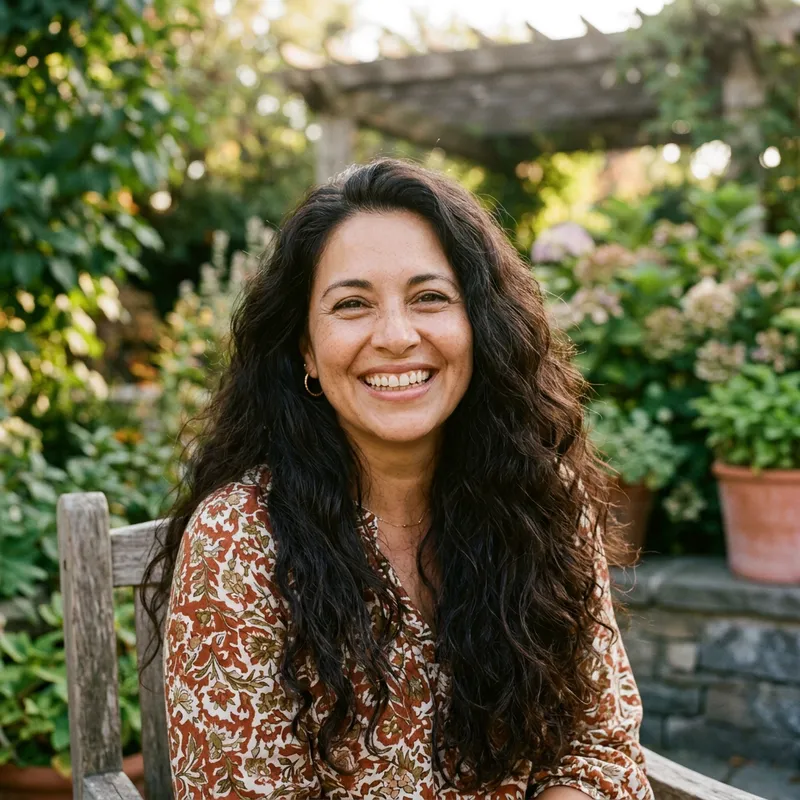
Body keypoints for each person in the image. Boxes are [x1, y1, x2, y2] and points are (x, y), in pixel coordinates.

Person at [145, 158, 654, 799]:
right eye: (352, 304)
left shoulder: (541, 499)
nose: (395, 336)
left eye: (430, 297)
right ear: (305, 346)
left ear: (480, 325)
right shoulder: (240, 543)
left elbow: (599, 749)